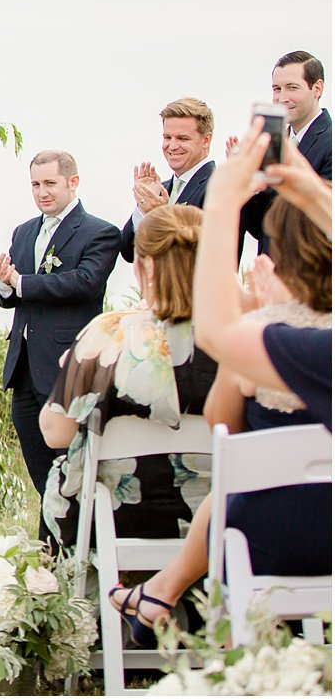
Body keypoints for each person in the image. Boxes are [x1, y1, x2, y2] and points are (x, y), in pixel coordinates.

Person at [106, 192, 331, 645]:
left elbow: (221, 425)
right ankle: (160, 592)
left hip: (272, 540)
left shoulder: (265, 339)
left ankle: (195, 623)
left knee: (232, 493)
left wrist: (262, 316)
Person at [36, 206, 218, 574]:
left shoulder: (109, 333)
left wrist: (75, 364)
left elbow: (55, 433)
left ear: (145, 266)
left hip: (120, 519)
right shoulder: (237, 338)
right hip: (219, 522)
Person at [0, 150, 122, 498]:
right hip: (24, 367)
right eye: (35, 184)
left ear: (72, 182)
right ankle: (51, 541)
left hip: (68, 366)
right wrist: (3, 281)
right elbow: (9, 293)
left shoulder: (101, 232)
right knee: (40, 469)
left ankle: (77, 539)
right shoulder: (24, 231)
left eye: (50, 183)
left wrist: (21, 282)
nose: (42, 192)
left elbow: (85, 282)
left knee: (72, 466)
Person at [195, 123, 333, 426]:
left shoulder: (303, 344)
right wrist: (315, 195)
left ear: (282, 253)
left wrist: (222, 202)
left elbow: (221, 424)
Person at [239, 51, 331, 254]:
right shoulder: (273, 148)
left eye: (292, 88)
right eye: (276, 89)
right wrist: (249, 184)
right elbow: (262, 229)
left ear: (317, 89)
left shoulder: (330, 143)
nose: (282, 98)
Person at [120, 97, 216, 263]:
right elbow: (129, 252)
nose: (172, 146)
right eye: (167, 137)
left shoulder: (219, 187)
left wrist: (162, 214)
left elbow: (208, 253)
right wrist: (144, 210)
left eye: (182, 138)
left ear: (206, 140)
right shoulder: (161, 189)